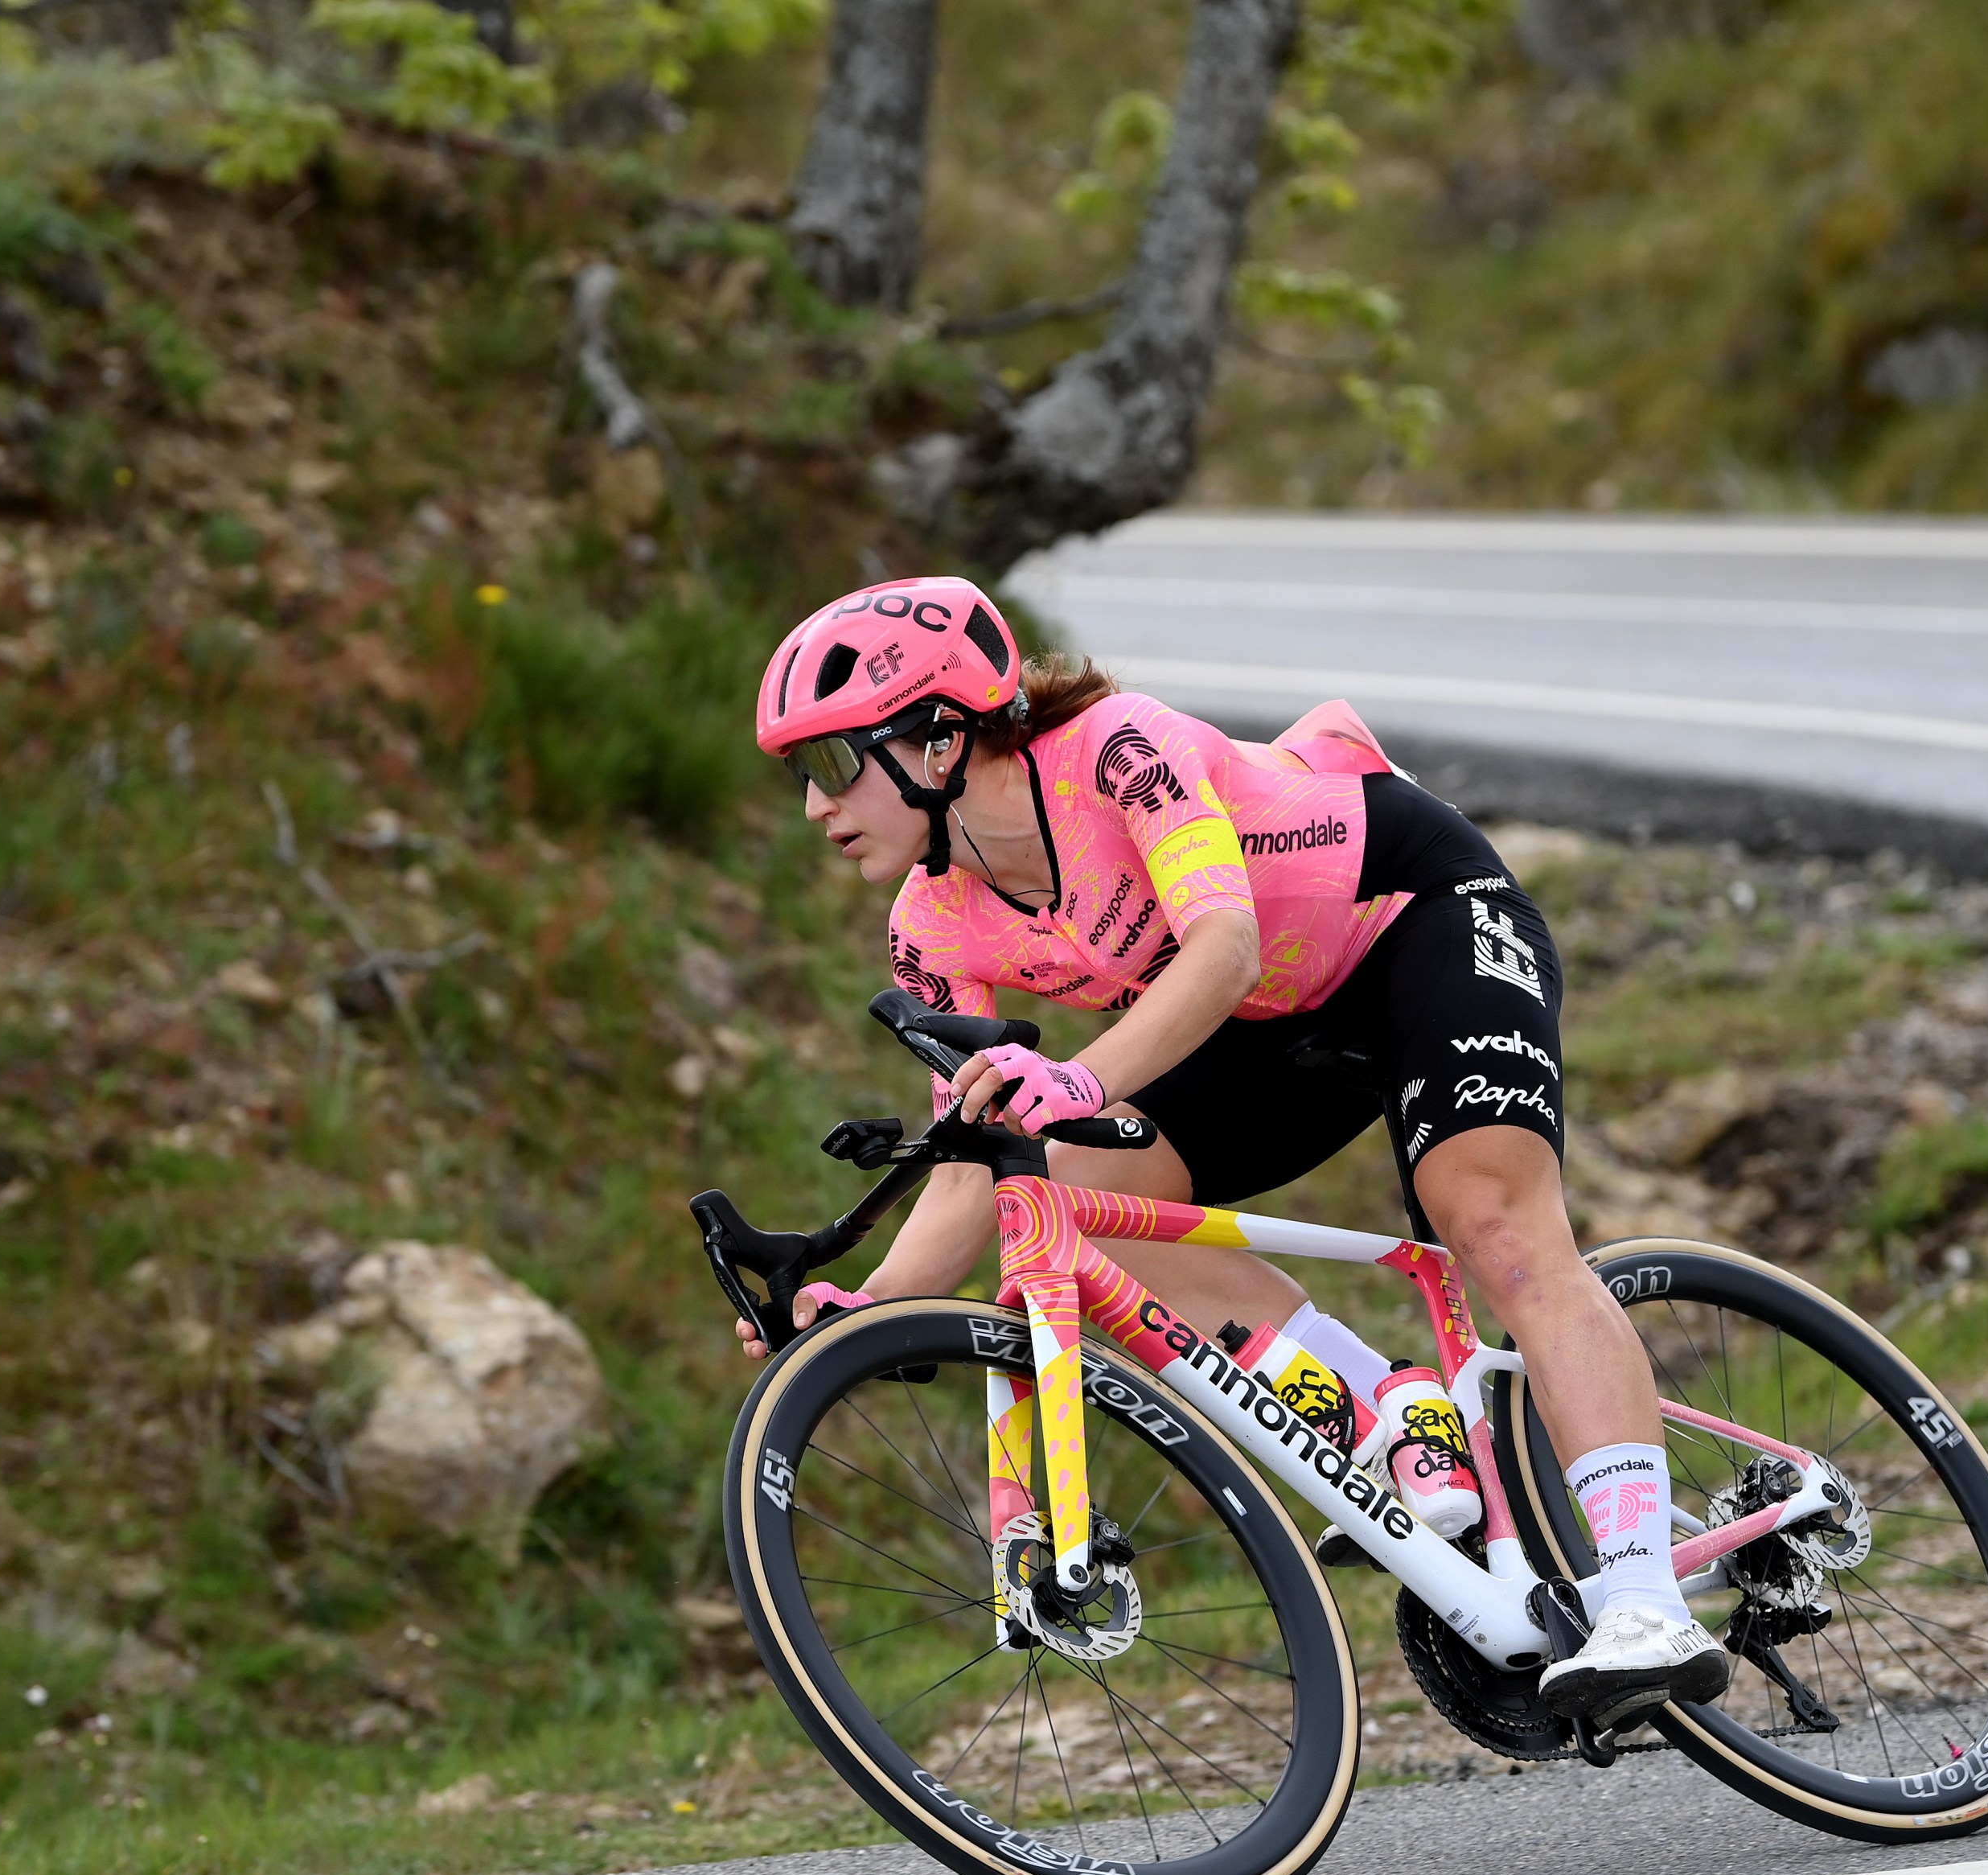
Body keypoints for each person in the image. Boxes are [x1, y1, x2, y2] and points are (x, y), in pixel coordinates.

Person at [733, 574, 1727, 1725]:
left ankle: (1648, 1599)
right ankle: (1392, 1405)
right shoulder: (931, 922)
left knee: (1495, 1224)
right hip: (1270, 1031)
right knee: (1067, 1199)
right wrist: (871, 1308)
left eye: (834, 766)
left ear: (940, 738)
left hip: (1410, 922)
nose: (815, 807)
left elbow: (1225, 946)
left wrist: (1084, 1076)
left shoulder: (1118, 751)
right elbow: (977, 1146)